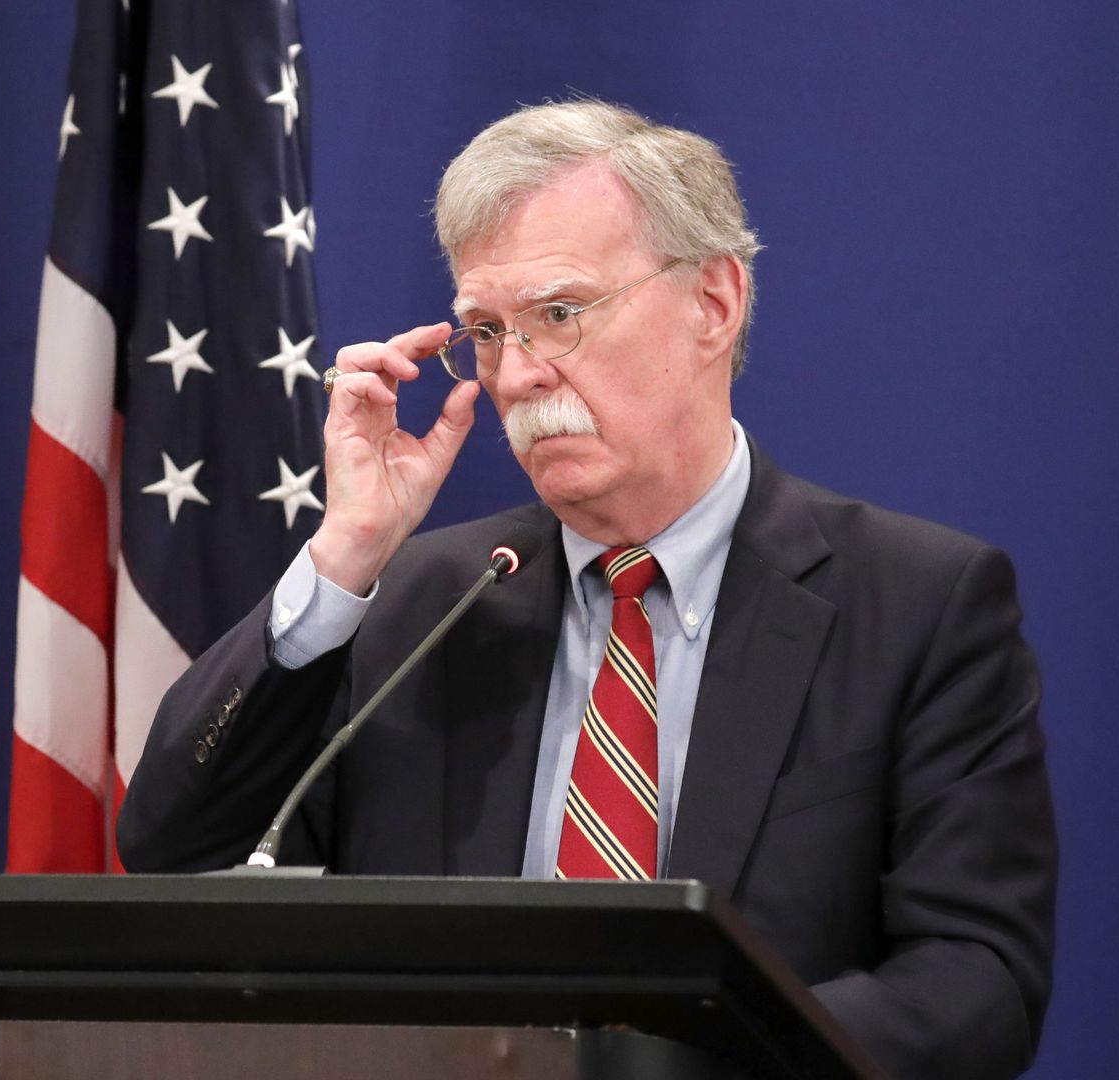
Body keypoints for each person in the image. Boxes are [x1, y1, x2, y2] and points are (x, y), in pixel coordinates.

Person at [116, 100, 1056, 1079]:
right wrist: (345, 553)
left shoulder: (918, 605)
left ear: (714, 303)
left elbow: (977, 982)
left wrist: (668, 1070)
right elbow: (176, 848)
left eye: (558, 315)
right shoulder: (414, 605)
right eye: (487, 330)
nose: (517, 374)